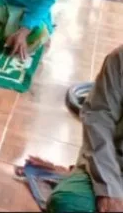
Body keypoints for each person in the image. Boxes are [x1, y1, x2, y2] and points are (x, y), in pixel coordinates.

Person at [46, 45, 123, 213]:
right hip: (113, 166)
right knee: (69, 204)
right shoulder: (120, 60)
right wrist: (109, 190)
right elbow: (99, 121)